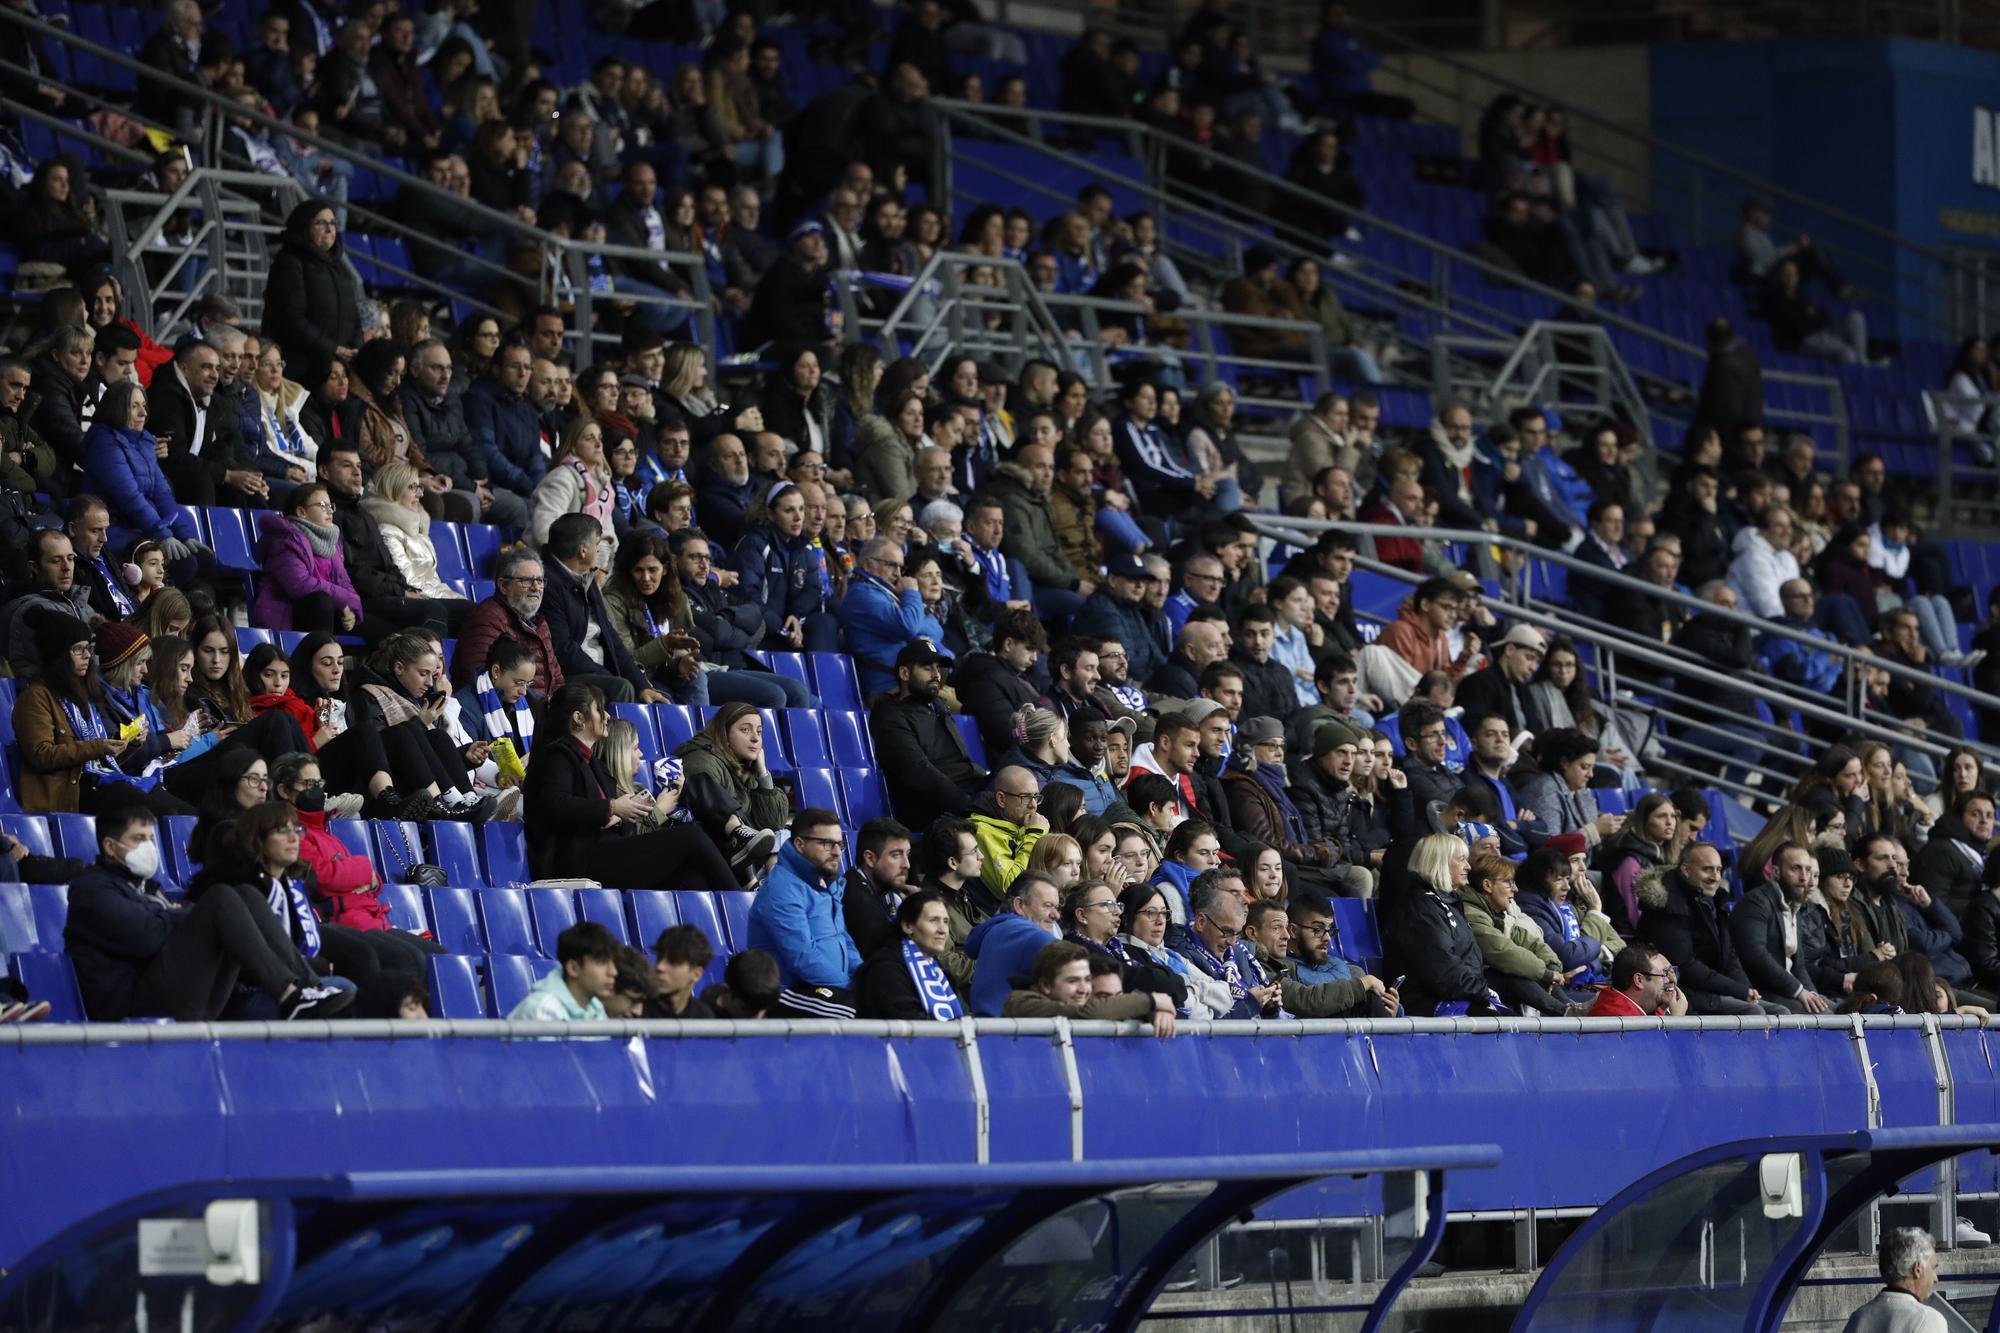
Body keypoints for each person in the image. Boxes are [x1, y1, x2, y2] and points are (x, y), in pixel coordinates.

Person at [64, 802, 355, 1023]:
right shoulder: (92, 890)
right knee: (219, 898)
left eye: (152, 839)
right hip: (132, 1006)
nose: (149, 847)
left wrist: (175, 914)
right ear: (110, 846)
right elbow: (149, 939)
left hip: (182, 994)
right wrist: (181, 914)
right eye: (139, 838)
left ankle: (305, 988)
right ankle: (288, 994)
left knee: (246, 895)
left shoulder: (148, 888)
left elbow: (164, 923)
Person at [1639, 840, 1783, 1015]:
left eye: (1718, 870)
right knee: (1755, 1013)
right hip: (1683, 992)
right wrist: (1738, 991)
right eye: (1707, 869)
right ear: (1686, 870)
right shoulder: (1669, 905)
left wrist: (1746, 990)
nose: (1715, 877)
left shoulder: (1715, 899)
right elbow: (1686, 966)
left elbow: (1729, 956)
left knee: (1780, 1012)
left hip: (1711, 989)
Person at [746, 807, 861, 1014]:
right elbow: (802, 959)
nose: (836, 852)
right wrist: (850, 987)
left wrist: (864, 976)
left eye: (839, 844)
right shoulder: (782, 889)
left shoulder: (826, 881)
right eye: (827, 844)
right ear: (800, 844)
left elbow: (844, 939)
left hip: (829, 989)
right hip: (787, 993)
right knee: (853, 1012)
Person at [1385, 832, 1497, 1016]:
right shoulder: (1420, 908)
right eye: (1461, 859)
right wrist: (1484, 992)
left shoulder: (1448, 902)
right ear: (1440, 862)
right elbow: (1443, 973)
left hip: (1459, 994)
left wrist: (1483, 992)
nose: (1468, 866)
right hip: (1426, 1003)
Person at [871, 640, 981, 828]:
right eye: (927, 668)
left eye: (938, 668)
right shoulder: (890, 718)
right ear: (905, 673)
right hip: (935, 811)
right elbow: (919, 772)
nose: (937, 675)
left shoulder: (937, 706)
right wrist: (969, 806)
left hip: (967, 792)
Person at [671, 703, 793, 865]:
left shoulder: (744, 766)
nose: (755, 738)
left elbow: (773, 823)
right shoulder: (701, 762)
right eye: (745, 730)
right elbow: (711, 820)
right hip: (714, 855)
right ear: (724, 733)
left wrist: (763, 774)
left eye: (759, 731)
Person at [262, 199, 360, 390]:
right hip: (302, 371)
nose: (329, 229)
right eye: (321, 223)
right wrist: (333, 348)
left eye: (332, 223)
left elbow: (353, 314)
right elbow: (292, 320)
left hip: (337, 367)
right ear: (304, 227)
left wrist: (355, 347)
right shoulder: (290, 263)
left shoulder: (339, 267)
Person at [1732, 840, 1837, 1014]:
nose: (1805, 877)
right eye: (1796, 869)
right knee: (1825, 1018)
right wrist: (1798, 991)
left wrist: (1811, 993)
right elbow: (1756, 956)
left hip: (1786, 989)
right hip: (1761, 990)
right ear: (1776, 872)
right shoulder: (1756, 902)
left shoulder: (1793, 904)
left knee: (1841, 1013)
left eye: (1808, 870)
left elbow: (1799, 965)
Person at [1000, 938, 1177, 1033]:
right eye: (1072, 981)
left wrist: (1153, 1013)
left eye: (1086, 979)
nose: (1084, 989)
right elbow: (1088, 1013)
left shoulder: (1073, 1002)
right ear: (1046, 985)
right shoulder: (1020, 1002)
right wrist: (1152, 1000)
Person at [852, 888, 967, 1021]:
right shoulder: (885, 968)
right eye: (933, 920)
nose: (942, 930)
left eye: (945, 921)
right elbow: (906, 1023)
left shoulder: (938, 970)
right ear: (907, 926)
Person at [1839, 1227, 1947, 1333]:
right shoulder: (1927, 1319)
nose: (1935, 1278)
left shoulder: (1858, 1318)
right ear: (1917, 1269)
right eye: (1933, 1268)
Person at [506, 922, 618, 1022]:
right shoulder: (543, 1011)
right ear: (573, 968)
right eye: (602, 962)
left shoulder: (595, 1008)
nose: (613, 972)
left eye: (612, 963)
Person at [1586, 945, 1689, 1017]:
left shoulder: (1647, 1007)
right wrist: (1676, 1021)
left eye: (1671, 972)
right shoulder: (1614, 1017)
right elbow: (1654, 1048)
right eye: (1664, 974)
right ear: (1639, 980)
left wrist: (1667, 1009)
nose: (1671, 980)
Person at [647, 924, 718, 1018]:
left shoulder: (703, 1016)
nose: (659, 967)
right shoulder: (637, 1010)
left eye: (673, 961)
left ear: (696, 974)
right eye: (659, 958)